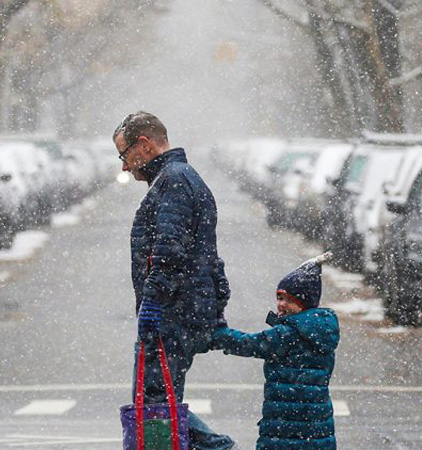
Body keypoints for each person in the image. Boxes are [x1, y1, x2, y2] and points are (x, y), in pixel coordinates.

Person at [114, 112, 236, 450]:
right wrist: (214, 304)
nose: (125, 166)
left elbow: (170, 251)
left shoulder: (174, 181)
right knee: (159, 403)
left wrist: (153, 303)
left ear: (145, 144)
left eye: (125, 155)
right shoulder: (179, 178)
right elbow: (207, 253)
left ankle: (218, 447)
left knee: (155, 405)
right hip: (182, 311)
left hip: (172, 314)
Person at [211, 253, 340, 450]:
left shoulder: (287, 334)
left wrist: (218, 336)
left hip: (286, 426)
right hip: (317, 424)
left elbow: (249, 344)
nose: (281, 304)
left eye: (288, 300)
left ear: (303, 304)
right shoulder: (322, 331)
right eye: (279, 298)